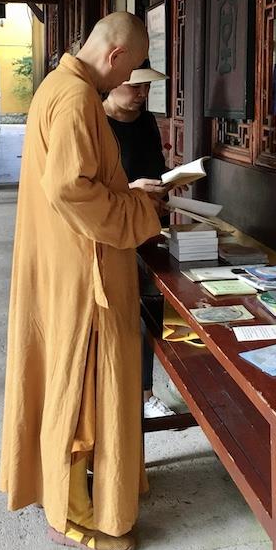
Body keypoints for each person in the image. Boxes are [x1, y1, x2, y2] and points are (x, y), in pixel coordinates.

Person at [0, 12, 162, 550]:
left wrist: (125, 195)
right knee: (80, 393)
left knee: (78, 387)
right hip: (80, 277)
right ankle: (71, 516)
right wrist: (139, 212)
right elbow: (72, 191)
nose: (130, 84)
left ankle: (80, 496)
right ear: (115, 57)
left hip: (67, 266)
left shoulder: (61, 85)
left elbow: (80, 182)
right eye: (133, 70)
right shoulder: (75, 98)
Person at [103, 61, 176, 420]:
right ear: (115, 82)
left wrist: (170, 183)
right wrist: (130, 191)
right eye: (136, 87)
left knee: (147, 308)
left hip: (148, 225)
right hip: (112, 230)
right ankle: (111, 394)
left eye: (147, 87)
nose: (143, 94)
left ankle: (145, 393)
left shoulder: (146, 122)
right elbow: (89, 189)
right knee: (117, 313)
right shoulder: (95, 123)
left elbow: (156, 167)